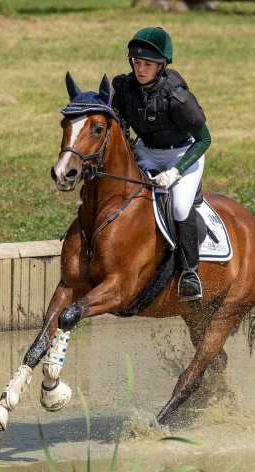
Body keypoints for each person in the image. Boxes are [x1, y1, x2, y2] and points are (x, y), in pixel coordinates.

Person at [111, 26, 211, 301]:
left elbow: (204, 140)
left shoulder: (178, 97)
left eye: (148, 65)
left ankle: (190, 274)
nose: (140, 70)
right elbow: (118, 128)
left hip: (183, 154)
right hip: (148, 151)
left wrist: (176, 172)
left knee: (179, 207)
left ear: (162, 65)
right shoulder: (123, 87)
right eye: (137, 63)